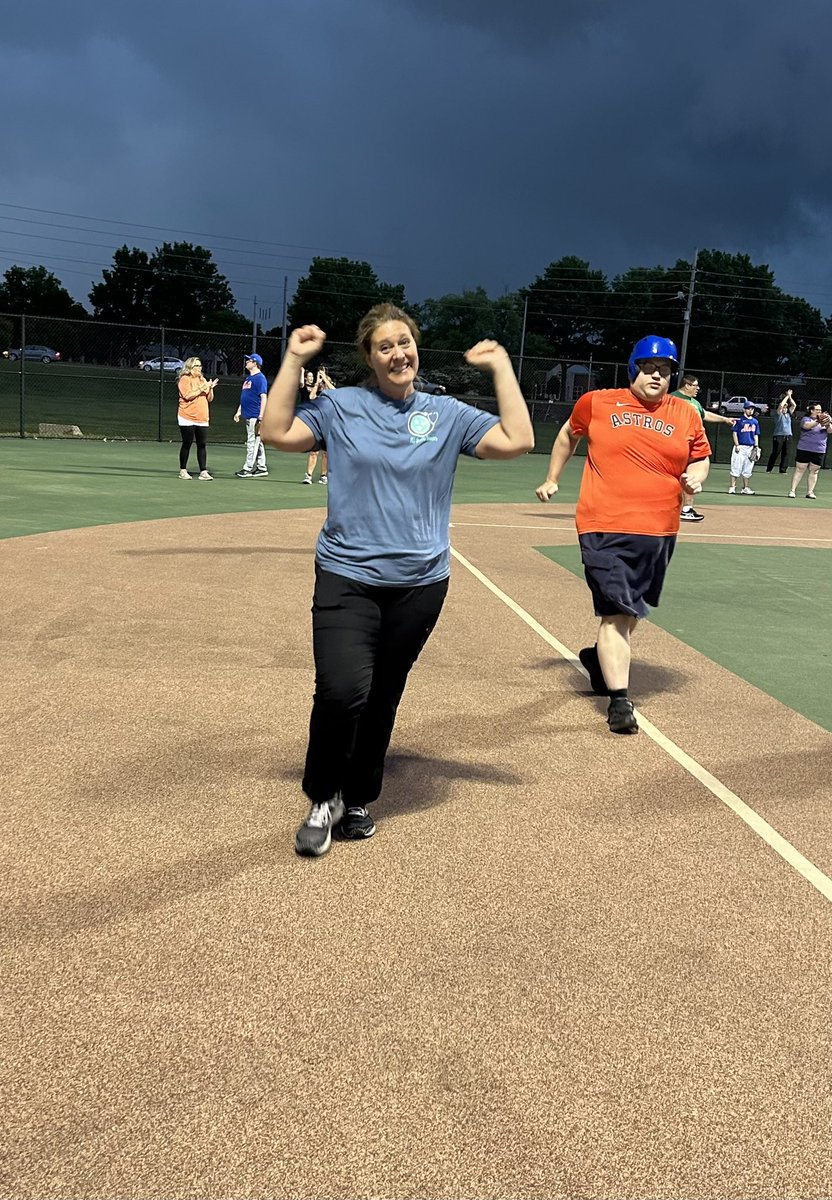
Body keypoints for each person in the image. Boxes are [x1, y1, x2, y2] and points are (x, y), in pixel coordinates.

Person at [259, 302, 534, 856]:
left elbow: (517, 440)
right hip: (347, 574)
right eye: (384, 346)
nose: (397, 353)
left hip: (420, 584)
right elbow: (277, 432)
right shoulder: (341, 406)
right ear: (369, 357)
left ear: (416, 348)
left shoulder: (446, 413)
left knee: (383, 693)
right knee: (342, 690)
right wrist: (292, 360)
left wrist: (502, 367)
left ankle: (357, 797)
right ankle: (323, 795)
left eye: (404, 342)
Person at [535, 335, 711, 735]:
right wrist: (552, 477)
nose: (656, 376)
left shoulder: (685, 414)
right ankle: (619, 701)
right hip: (603, 525)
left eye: (664, 370)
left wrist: (695, 478)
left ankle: (599, 660)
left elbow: (700, 457)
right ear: (634, 368)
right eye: (649, 368)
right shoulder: (597, 403)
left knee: (630, 612)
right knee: (616, 612)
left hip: (660, 529)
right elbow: (567, 434)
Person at [669, 373, 735, 521]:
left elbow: (705, 414)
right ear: (686, 386)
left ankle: (687, 509)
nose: (698, 389)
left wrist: (725, 419)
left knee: (690, 476)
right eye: (695, 386)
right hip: (677, 443)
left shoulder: (694, 402)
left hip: (693, 445)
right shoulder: (671, 399)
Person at [176, 357, 217, 480]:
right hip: (187, 416)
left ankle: (203, 471)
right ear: (190, 367)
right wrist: (202, 388)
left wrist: (210, 388)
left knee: (202, 444)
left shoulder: (202, 379)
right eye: (197, 366)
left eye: (200, 366)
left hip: (202, 417)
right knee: (187, 443)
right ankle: (183, 470)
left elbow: (210, 398)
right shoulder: (184, 379)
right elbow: (187, 395)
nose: (199, 368)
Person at [233, 353, 269, 478]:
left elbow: (264, 397)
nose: (246, 362)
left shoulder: (260, 378)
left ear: (255, 363)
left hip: (255, 414)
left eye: (249, 360)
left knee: (252, 442)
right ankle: (261, 468)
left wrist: (261, 416)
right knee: (258, 442)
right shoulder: (249, 378)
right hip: (248, 414)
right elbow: (245, 397)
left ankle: (247, 468)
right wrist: (239, 411)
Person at [788, 403, 832, 499]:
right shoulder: (806, 419)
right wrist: (818, 421)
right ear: (812, 410)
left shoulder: (824, 421)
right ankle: (792, 490)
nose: (819, 412)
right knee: (800, 469)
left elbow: (830, 431)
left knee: (814, 471)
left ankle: (810, 492)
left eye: (820, 410)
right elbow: (807, 426)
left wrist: (828, 423)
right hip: (805, 448)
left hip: (819, 449)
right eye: (817, 410)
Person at [303, 368, 334, 484]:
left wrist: (325, 378)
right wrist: (317, 382)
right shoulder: (318, 395)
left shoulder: (331, 396)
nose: (322, 384)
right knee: (313, 452)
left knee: (326, 453)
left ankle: (323, 476)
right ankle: (309, 475)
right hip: (317, 427)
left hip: (328, 427)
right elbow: (311, 397)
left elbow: (334, 390)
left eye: (324, 382)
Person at [728, 400, 761, 494]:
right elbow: (734, 433)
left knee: (748, 468)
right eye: (749, 408)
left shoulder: (755, 422)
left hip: (750, 447)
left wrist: (756, 446)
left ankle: (745, 488)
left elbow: (756, 434)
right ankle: (732, 487)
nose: (751, 410)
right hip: (740, 447)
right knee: (736, 467)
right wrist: (737, 445)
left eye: (752, 409)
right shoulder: (739, 420)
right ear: (744, 409)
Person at [767, 389, 797, 474]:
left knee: (786, 453)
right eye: (784, 407)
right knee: (775, 452)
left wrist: (790, 397)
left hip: (788, 436)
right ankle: (769, 469)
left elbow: (794, 405)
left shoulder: (788, 414)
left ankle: (783, 470)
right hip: (779, 435)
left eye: (786, 407)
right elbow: (780, 405)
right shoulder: (778, 414)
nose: (785, 408)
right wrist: (787, 396)